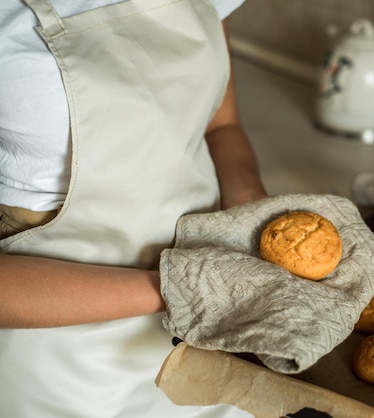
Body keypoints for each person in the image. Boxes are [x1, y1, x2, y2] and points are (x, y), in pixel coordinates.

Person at [0, 0, 267, 416]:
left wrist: (255, 221)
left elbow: (220, 124)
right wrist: (181, 288)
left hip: (209, 342)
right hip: (60, 369)